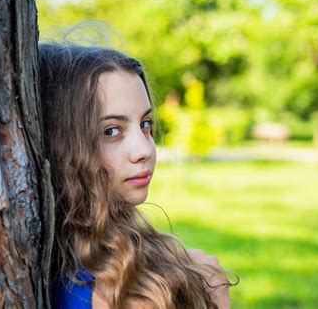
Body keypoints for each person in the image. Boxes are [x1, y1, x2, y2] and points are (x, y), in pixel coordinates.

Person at [39, 43, 232, 308]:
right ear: (64, 146)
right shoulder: (109, 292)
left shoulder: (102, 256)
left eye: (145, 124)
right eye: (111, 131)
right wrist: (217, 297)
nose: (144, 150)